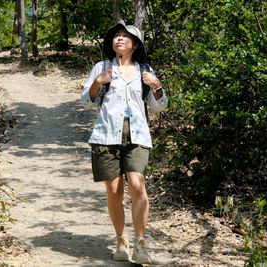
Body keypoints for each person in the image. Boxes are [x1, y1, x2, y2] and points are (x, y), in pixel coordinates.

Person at [81, 23, 167, 264]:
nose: (119, 39)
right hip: (106, 134)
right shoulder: (102, 67)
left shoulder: (145, 70)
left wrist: (156, 86)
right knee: (114, 190)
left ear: (135, 44)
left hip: (137, 134)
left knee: (138, 185)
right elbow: (86, 100)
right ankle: (121, 239)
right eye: (116, 36)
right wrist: (99, 81)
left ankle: (140, 243)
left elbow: (159, 106)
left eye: (125, 37)